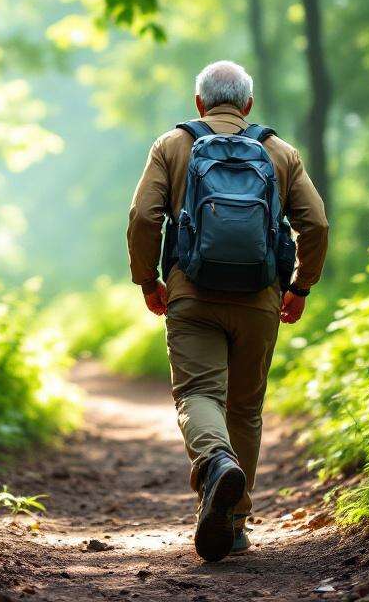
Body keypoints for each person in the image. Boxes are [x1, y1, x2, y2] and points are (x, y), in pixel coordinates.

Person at [126, 60, 329, 562]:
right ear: (248, 104)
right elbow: (316, 225)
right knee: (244, 408)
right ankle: (235, 524)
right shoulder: (279, 152)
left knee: (198, 393)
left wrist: (147, 279)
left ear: (199, 102)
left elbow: (144, 216)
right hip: (260, 298)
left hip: (191, 293)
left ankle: (216, 461)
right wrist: (301, 286)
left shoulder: (172, 145)